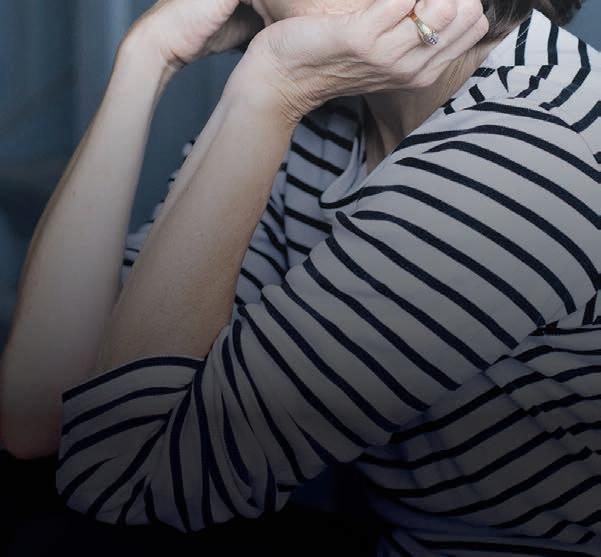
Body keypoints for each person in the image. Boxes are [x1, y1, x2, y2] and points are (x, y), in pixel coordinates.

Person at [2, 0, 600, 554]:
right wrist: (148, 57)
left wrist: (273, 88)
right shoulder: (332, 104)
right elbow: (42, 417)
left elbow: (126, 479)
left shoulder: (523, 152)